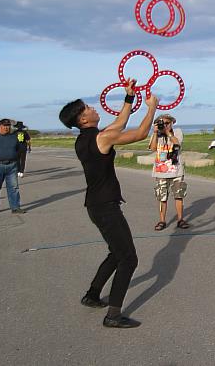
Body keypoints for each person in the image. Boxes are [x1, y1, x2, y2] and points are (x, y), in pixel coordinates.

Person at [59, 79, 158, 329]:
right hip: (105, 207)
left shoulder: (85, 138)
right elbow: (140, 133)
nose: (93, 109)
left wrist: (128, 97)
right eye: (87, 108)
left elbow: (120, 124)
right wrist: (151, 108)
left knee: (116, 252)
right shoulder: (101, 138)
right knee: (128, 259)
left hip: (96, 205)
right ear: (83, 119)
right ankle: (113, 315)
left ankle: (92, 295)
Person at [148, 114, 188, 231]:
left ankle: (180, 219)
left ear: (172, 123)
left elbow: (177, 144)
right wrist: (155, 132)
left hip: (176, 170)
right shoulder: (156, 134)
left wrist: (168, 132)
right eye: (162, 123)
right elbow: (153, 148)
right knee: (162, 197)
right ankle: (162, 220)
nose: (164, 125)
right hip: (160, 171)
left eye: (167, 123)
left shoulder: (177, 132)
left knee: (179, 195)